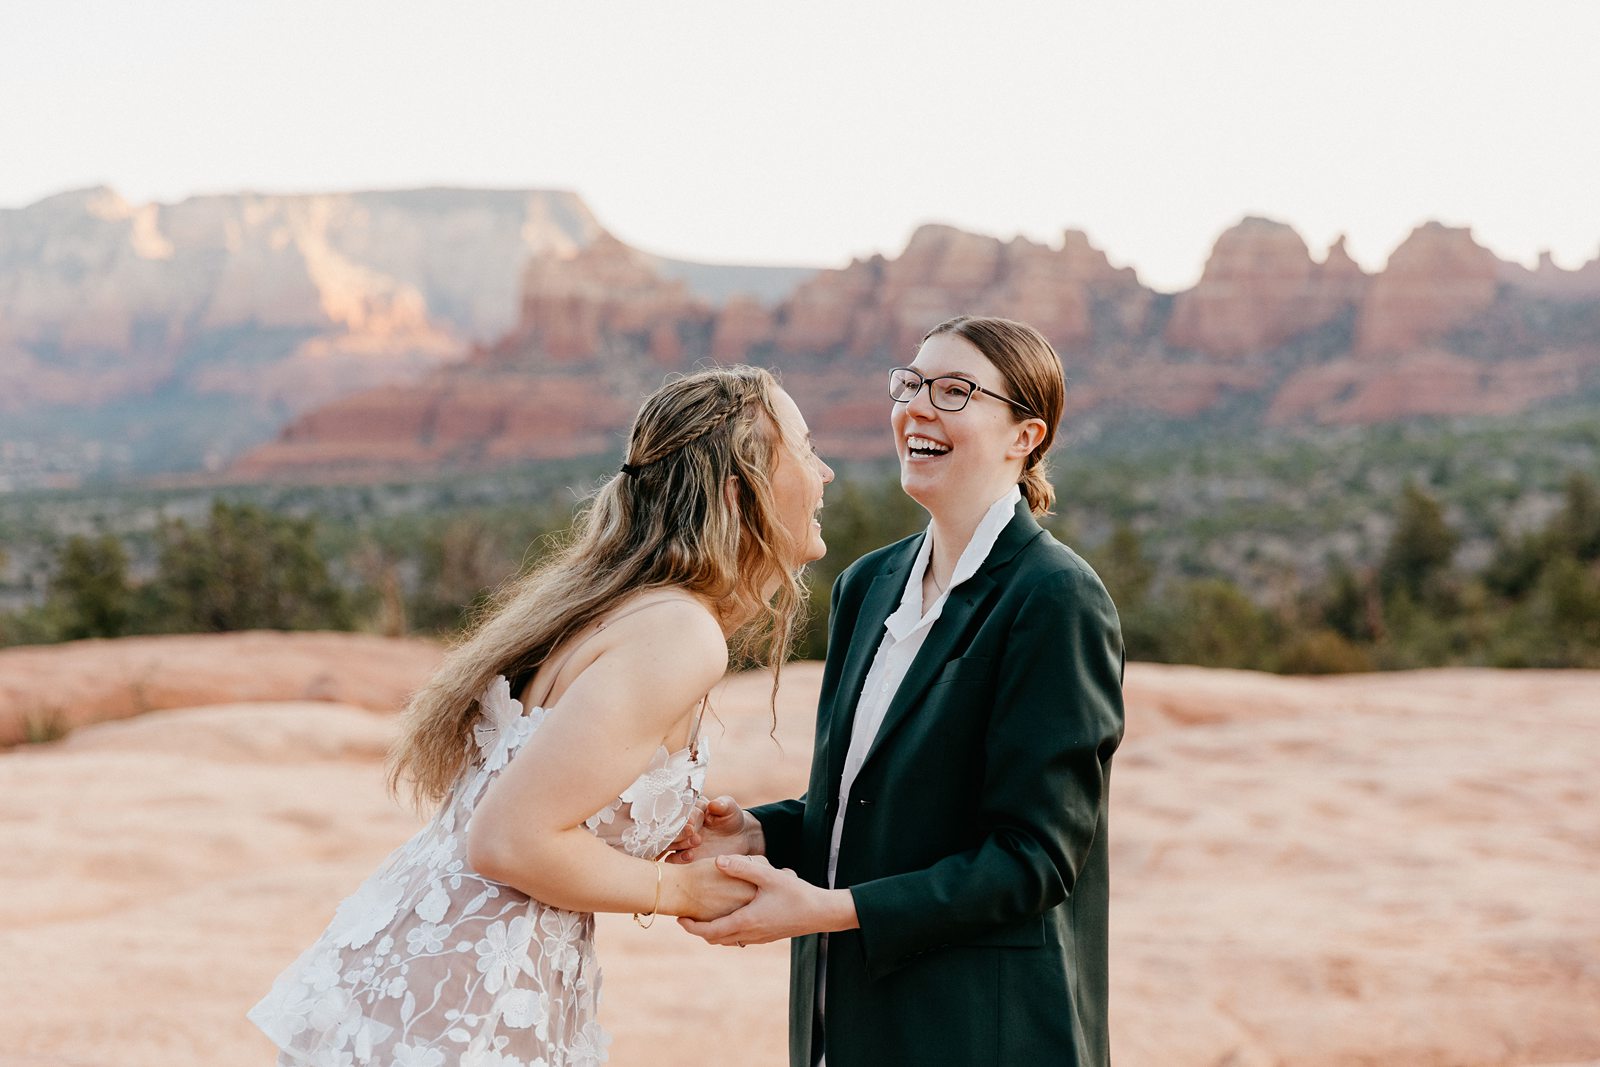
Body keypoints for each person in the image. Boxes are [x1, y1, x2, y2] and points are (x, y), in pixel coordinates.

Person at [248, 365, 835, 1066]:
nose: (826, 472)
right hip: (468, 1004)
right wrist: (678, 889)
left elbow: (549, 794)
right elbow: (508, 839)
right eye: (805, 448)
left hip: (435, 976)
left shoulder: (617, 606)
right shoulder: (679, 632)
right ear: (744, 492)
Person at [675, 316, 1126, 1066]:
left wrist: (829, 908)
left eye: (955, 391)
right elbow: (869, 800)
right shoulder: (867, 585)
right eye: (911, 384)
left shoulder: (1055, 598)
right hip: (844, 1022)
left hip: (983, 1032)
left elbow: (1034, 857)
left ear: (1025, 435)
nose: (917, 407)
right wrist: (764, 832)